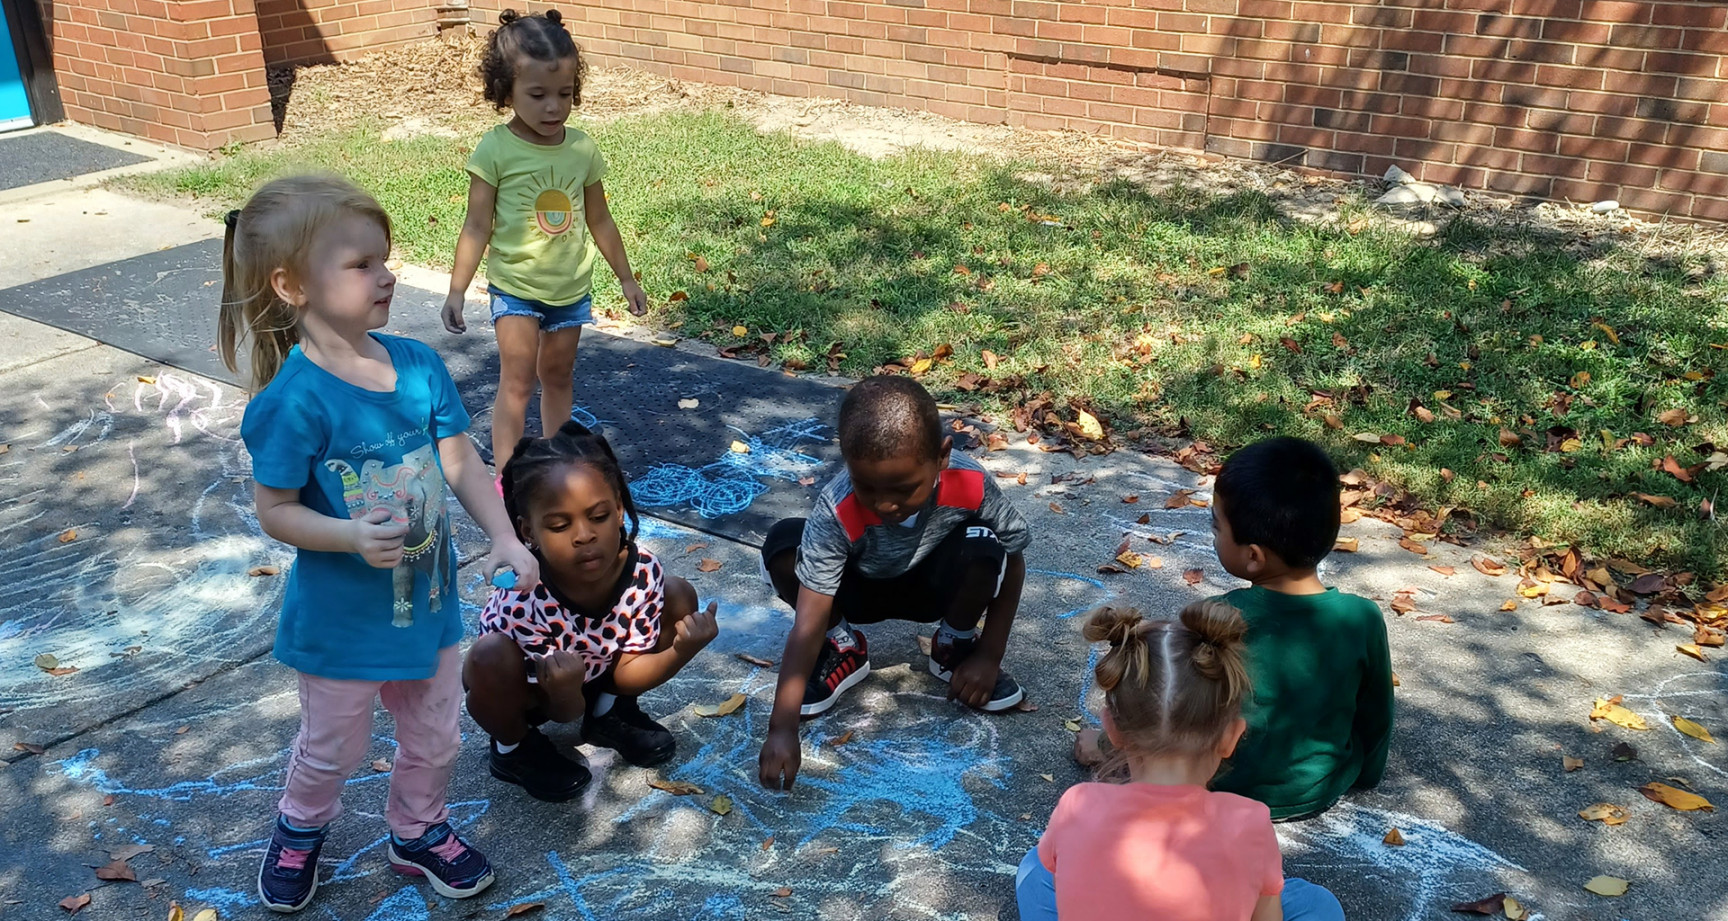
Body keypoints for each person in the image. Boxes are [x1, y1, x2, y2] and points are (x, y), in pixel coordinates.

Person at [221, 175, 539, 912]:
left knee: (436, 737)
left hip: (426, 611)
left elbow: (460, 459)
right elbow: (275, 511)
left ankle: (418, 830)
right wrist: (347, 534)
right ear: (291, 284)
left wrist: (502, 535)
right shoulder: (292, 402)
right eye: (361, 264)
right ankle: (300, 829)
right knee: (332, 746)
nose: (387, 274)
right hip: (342, 627)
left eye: (385, 258)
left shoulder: (419, 367)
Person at [756, 376, 1031, 791]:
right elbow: (807, 621)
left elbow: (1015, 560)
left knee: (987, 544)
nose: (885, 504)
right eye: (867, 487)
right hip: (856, 591)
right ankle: (842, 646)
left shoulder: (970, 484)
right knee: (783, 547)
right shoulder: (838, 508)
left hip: (933, 588)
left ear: (941, 456)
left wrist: (989, 655)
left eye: (904, 489)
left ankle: (956, 646)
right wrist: (781, 727)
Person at [1018, 603, 1345, 921]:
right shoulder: (1250, 824)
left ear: (1112, 730)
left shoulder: (1078, 804)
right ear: (1231, 737)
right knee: (1316, 903)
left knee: (1036, 869)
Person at [464, 421, 719, 801]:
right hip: (531, 691)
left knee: (678, 594)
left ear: (619, 510)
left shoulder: (643, 570)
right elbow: (561, 712)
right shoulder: (525, 597)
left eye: (598, 516)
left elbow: (631, 670)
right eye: (559, 525)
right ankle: (513, 749)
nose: (584, 534)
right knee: (489, 658)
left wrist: (682, 650)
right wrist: (566, 691)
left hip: (595, 669)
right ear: (528, 532)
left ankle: (607, 714)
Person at [442, 8, 647, 479]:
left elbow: (600, 217)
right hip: (515, 286)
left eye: (564, 94)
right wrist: (457, 290)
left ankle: (557, 467)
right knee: (516, 382)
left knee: (557, 377)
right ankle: (509, 478)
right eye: (537, 95)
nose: (553, 107)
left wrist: (627, 278)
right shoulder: (495, 149)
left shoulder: (581, 150)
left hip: (570, 288)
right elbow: (477, 226)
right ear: (505, 92)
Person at [1204, 436, 1394, 819]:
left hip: (1220, 786)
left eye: (1216, 527)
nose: (1213, 535)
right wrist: (1367, 774)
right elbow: (1376, 714)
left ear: (1254, 557)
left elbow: (1175, 708)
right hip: (1318, 789)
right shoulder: (1362, 618)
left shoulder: (1217, 615)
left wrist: (1113, 747)